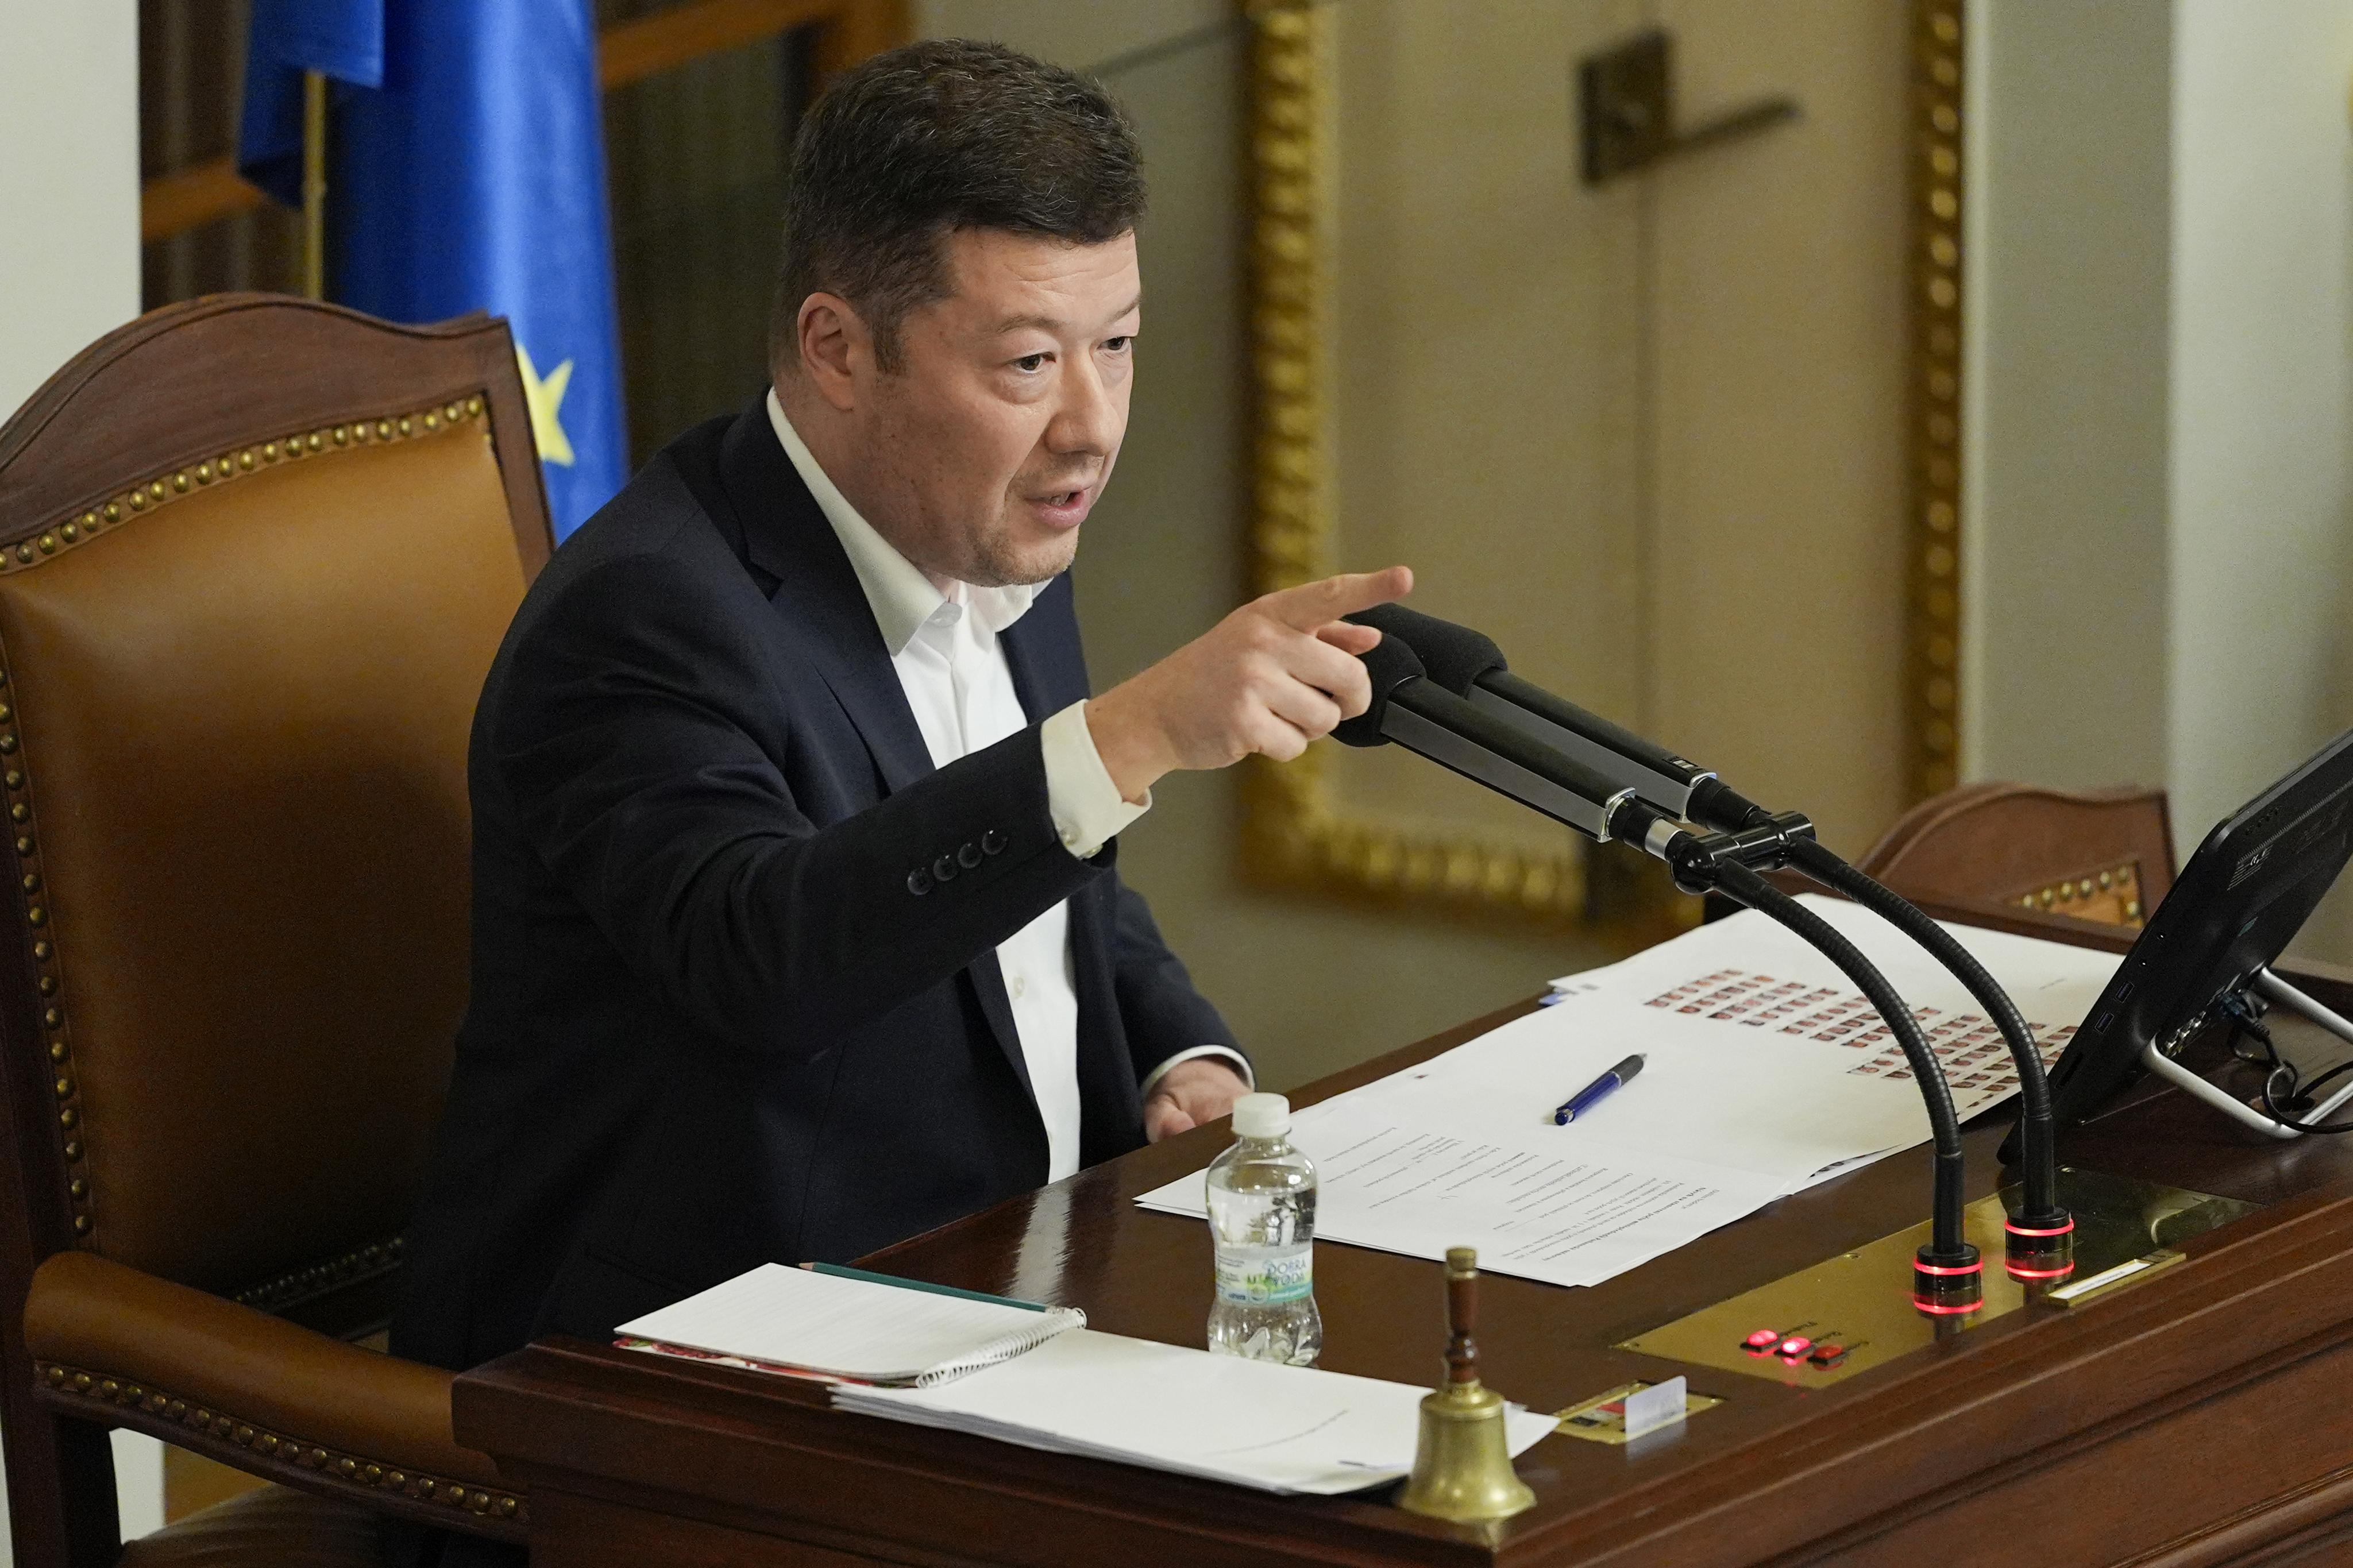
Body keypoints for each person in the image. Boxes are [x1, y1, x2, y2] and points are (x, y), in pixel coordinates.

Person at [391, 38, 1411, 1388]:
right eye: (1028, 362)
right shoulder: (645, 619)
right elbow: (769, 959)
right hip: (689, 1374)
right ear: (837, 348)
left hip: (1017, 1290)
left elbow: (1029, 875)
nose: (1092, 426)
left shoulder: (987, 523)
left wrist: (1174, 1052)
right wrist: (1133, 735)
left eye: (1115, 346)